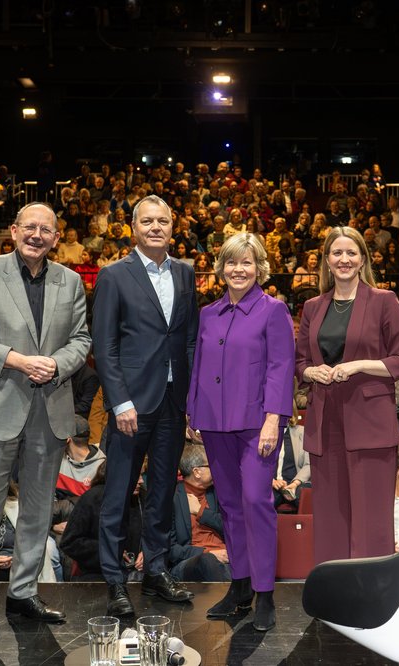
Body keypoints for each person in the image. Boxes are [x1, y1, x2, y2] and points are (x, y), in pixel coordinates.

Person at [0, 202, 90, 640]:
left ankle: (23, 592)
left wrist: (54, 363)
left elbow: (82, 340)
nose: (37, 234)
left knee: (36, 511)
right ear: (13, 231)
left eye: (45, 229)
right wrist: (15, 359)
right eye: (29, 227)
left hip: (48, 410)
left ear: (55, 237)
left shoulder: (71, 281)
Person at [92, 195, 198, 619]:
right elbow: (105, 346)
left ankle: (155, 571)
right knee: (117, 495)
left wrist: (189, 398)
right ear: (133, 227)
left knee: (161, 493)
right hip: (131, 406)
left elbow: (188, 338)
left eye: (163, 221)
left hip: (173, 403)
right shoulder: (114, 275)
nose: (156, 227)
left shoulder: (186, 273)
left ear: (174, 227)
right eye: (148, 221)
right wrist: (120, 402)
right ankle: (114, 581)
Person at [187, 232, 294, 632]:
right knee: (229, 506)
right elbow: (199, 366)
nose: (238, 270)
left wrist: (273, 418)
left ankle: (265, 593)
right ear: (221, 267)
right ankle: (241, 585)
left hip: (257, 425)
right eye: (232, 262)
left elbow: (281, 368)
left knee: (256, 501)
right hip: (214, 422)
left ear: (259, 267)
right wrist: (192, 411)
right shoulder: (208, 313)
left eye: (246, 262)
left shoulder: (274, 310)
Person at [295, 226, 399, 564]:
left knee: (370, 524)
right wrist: (310, 372)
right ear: (327, 260)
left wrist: (359, 365)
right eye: (337, 253)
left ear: (363, 259)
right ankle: (336, 598)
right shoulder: (312, 306)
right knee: (331, 522)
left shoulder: (383, 301)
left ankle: (371, 598)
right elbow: (300, 362)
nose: (344, 259)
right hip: (325, 422)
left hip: (370, 424)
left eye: (351, 253)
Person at [168, 444, 231, 585]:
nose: (216, 469)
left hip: (226, 557)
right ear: (197, 472)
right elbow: (171, 549)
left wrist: (201, 512)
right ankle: (229, 596)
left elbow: (232, 527)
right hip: (189, 562)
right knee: (208, 561)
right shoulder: (172, 498)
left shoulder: (218, 492)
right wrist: (208, 552)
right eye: (211, 466)